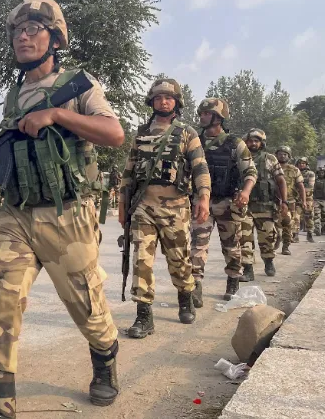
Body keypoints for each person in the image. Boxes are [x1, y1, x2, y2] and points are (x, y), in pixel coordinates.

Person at [0, 0, 125, 419]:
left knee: (88, 309)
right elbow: (17, 147)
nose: (22, 36)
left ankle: (106, 358)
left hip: (67, 215)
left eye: (34, 28)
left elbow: (114, 133)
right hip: (17, 214)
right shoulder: (14, 94)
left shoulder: (80, 83)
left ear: (55, 37)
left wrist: (57, 113)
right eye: (17, 30)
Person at [120, 79, 211, 339]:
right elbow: (129, 171)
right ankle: (143, 315)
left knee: (180, 260)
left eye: (168, 98)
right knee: (141, 260)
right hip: (143, 207)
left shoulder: (186, 133)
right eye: (159, 97)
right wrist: (123, 204)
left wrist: (203, 197)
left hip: (176, 208)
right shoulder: (142, 132)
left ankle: (185, 297)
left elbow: (200, 168)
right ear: (152, 101)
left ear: (176, 102)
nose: (163, 101)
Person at [190, 98, 256, 304]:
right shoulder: (195, 142)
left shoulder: (235, 144)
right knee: (197, 245)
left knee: (231, 246)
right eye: (201, 113)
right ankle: (196, 286)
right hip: (202, 203)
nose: (202, 117)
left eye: (206, 113)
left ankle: (233, 280)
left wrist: (245, 191)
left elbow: (250, 171)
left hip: (228, 202)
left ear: (219, 117)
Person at [239, 129, 288, 281]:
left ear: (261, 143)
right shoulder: (239, 157)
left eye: (256, 141)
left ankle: (269, 262)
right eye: (250, 140)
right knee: (244, 238)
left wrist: (284, 202)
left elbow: (280, 181)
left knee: (267, 238)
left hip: (265, 206)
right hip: (244, 206)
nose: (253, 143)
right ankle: (247, 269)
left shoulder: (270, 159)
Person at [274, 146, 305, 255]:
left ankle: (286, 246)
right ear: (276, 155)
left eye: (285, 154)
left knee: (288, 224)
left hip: (289, 202)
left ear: (289, 156)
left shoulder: (294, 170)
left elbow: (301, 186)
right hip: (273, 201)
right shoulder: (271, 167)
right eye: (280, 154)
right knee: (272, 224)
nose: (282, 156)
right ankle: (277, 237)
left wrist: (304, 201)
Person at [296, 157, 315, 242]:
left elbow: (310, 186)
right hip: (296, 198)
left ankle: (309, 233)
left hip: (308, 198)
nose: (301, 165)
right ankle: (295, 234)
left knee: (309, 216)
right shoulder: (295, 172)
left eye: (303, 163)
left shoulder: (310, 173)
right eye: (300, 163)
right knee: (296, 217)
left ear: (306, 164)